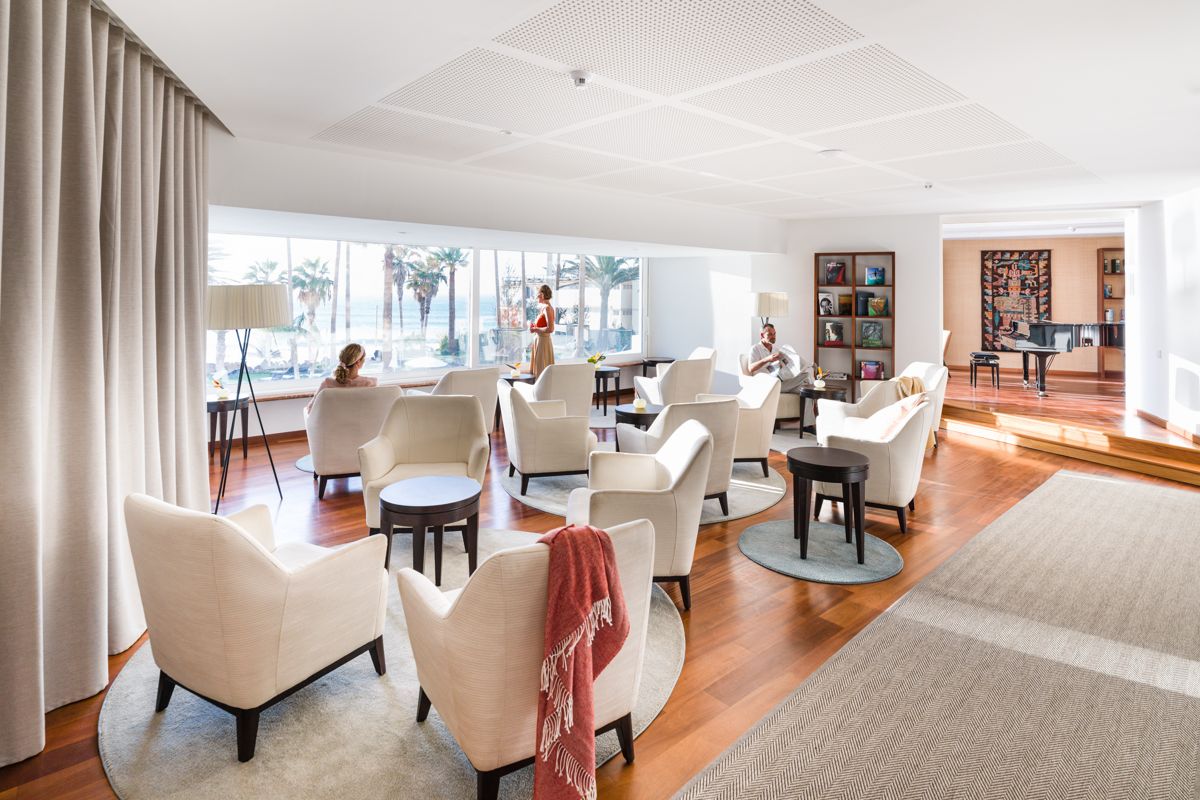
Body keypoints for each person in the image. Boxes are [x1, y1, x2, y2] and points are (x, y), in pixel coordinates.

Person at [306, 342, 378, 411]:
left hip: (333, 420)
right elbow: (374, 410)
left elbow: (310, 409)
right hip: (362, 420)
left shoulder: (327, 384)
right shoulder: (370, 383)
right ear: (358, 362)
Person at [748, 323, 811, 393]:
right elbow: (750, 368)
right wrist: (767, 359)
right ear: (762, 335)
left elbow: (779, 369)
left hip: (778, 380)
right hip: (766, 384)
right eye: (770, 334)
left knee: (806, 389)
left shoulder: (776, 350)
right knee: (806, 376)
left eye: (774, 334)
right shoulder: (755, 348)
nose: (773, 336)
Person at [528, 284, 556, 378]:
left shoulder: (547, 308)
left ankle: (541, 387)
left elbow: (550, 328)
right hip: (539, 341)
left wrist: (535, 329)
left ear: (542, 294)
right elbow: (544, 326)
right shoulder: (545, 308)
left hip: (543, 342)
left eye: (538, 294)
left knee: (541, 369)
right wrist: (535, 327)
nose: (537, 296)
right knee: (539, 368)